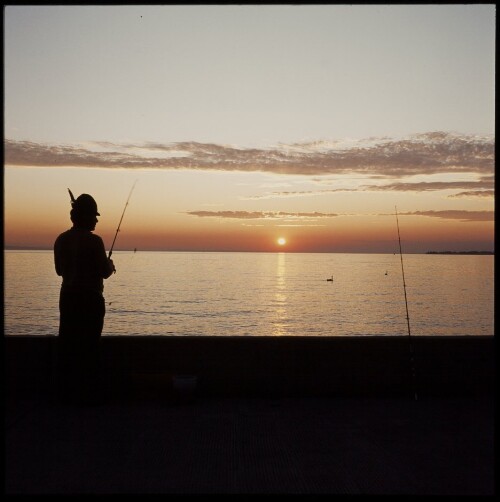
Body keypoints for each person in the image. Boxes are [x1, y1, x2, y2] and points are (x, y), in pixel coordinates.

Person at [54, 193, 115, 404]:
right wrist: (111, 265)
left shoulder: (61, 239)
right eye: (94, 216)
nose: (97, 220)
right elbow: (104, 272)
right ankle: (89, 394)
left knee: (68, 345)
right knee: (90, 347)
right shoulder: (95, 241)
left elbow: (59, 270)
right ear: (85, 216)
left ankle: (66, 394)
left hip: (68, 298)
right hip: (90, 299)